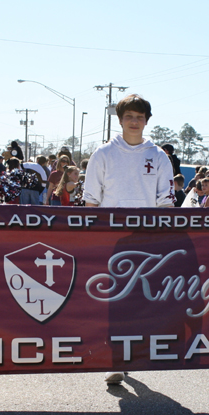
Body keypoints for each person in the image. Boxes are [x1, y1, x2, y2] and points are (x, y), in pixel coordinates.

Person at [83, 93, 174, 384]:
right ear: (120, 120)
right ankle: (115, 360)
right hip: (111, 240)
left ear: (147, 121)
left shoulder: (158, 156)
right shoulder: (103, 154)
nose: (134, 122)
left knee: (140, 303)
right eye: (129, 117)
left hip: (146, 241)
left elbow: (166, 203)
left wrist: (161, 239)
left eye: (140, 117)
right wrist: (93, 238)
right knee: (113, 301)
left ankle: (130, 354)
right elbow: (91, 202)